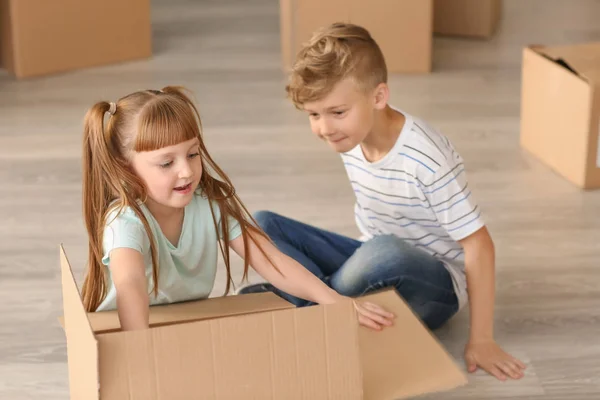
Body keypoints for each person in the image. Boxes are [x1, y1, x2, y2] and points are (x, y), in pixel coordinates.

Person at [238, 23, 526, 381]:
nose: (324, 128)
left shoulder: (427, 159)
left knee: (385, 252)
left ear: (378, 97)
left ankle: (302, 301)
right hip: (370, 260)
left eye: (336, 112)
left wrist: (482, 339)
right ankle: (322, 302)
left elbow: (479, 244)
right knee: (262, 223)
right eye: (314, 115)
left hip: (433, 286)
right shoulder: (352, 131)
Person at [79, 86, 394, 332]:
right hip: (127, 330)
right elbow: (130, 285)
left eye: (192, 154)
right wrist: (140, 350)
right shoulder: (125, 221)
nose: (186, 171)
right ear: (125, 167)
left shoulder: (208, 204)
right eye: (166, 163)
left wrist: (336, 302)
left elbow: (271, 260)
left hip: (182, 324)